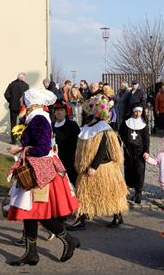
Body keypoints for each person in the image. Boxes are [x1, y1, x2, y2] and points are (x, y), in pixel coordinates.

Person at [6, 88, 79, 265]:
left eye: (26, 103)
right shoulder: (37, 118)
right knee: (31, 213)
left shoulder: (38, 119)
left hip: (40, 172)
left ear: (32, 103)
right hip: (38, 169)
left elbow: (43, 147)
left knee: (38, 212)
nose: (25, 106)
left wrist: (20, 149)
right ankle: (32, 253)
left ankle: (68, 239)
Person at [68, 95, 129, 230]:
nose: (85, 113)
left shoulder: (102, 127)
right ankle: (82, 219)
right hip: (87, 167)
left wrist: (94, 166)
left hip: (102, 168)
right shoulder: (87, 126)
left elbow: (103, 149)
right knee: (84, 193)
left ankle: (117, 215)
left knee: (110, 193)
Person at [119, 105, 150, 204]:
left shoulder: (144, 124)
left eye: (139, 112)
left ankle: (138, 193)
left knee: (139, 171)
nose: (137, 114)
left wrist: (146, 151)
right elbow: (120, 135)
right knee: (129, 170)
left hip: (140, 152)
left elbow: (146, 139)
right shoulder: (126, 122)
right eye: (136, 112)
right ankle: (129, 188)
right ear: (133, 112)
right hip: (128, 151)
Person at [52, 100, 80, 186]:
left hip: (70, 159)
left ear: (65, 112)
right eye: (57, 111)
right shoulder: (51, 126)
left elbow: (78, 142)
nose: (59, 112)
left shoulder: (72, 125)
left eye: (61, 110)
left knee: (71, 180)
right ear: (54, 113)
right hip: (55, 158)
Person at [4, 72, 30, 144]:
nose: (25, 79)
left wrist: (11, 101)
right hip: (22, 107)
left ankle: (13, 140)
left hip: (13, 107)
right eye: (24, 78)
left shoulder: (12, 84)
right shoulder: (26, 86)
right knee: (22, 123)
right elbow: (28, 97)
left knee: (13, 123)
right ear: (22, 78)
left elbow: (6, 94)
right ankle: (21, 138)